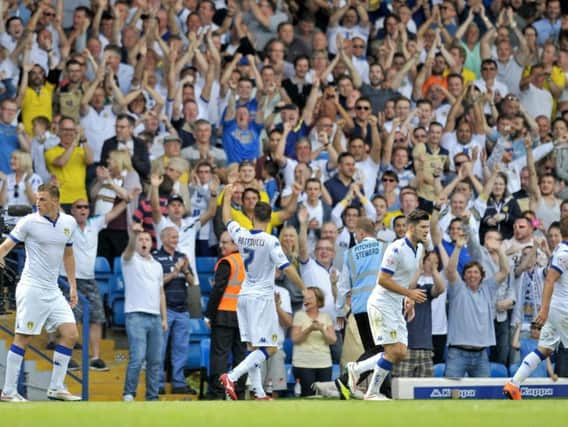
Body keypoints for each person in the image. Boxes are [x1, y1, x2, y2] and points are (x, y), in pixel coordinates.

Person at [219, 184, 306, 400]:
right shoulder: (270, 241)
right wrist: (304, 288)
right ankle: (233, 375)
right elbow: (286, 267)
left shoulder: (241, 234)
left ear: (252, 217)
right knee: (271, 347)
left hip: (244, 295)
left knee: (253, 347)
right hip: (261, 297)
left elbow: (226, 219)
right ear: (269, 220)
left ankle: (258, 391)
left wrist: (228, 196)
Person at [0, 183, 81, 401]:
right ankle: (8, 392)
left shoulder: (69, 223)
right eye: (37, 199)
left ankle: (56, 387)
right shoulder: (29, 222)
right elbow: (6, 246)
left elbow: (69, 255)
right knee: (22, 338)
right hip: (32, 288)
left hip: (53, 290)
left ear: (55, 200)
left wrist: (72, 286)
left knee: (70, 334)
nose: (38, 203)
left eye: (43, 199)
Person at [342, 209, 430, 400]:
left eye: (428, 227)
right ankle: (371, 392)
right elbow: (382, 279)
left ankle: (357, 369)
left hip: (395, 304)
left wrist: (409, 299)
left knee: (399, 352)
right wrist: (409, 293)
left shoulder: (420, 248)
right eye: (423, 227)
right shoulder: (395, 248)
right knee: (392, 350)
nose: (426, 231)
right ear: (412, 228)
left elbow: (411, 276)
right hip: (381, 304)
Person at [503, 216, 568, 400]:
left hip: (558, 309)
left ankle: (514, 384)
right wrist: (544, 310)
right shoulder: (564, 254)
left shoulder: (560, 251)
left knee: (544, 349)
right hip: (564, 309)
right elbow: (549, 279)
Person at [63, 197, 128, 372]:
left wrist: (128, 199)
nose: (83, 210)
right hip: (71, 279)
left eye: (86, 207)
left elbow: (115, 212)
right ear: (72, 210)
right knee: (70, 319)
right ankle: (66, 357)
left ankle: (96, 358)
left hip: (89, 279)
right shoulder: (66, 223)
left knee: (97, 318)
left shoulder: (95, 224)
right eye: (79, 207)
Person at [334, 217, 386, 400]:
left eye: (356, 233)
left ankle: (374, 390)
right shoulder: (385, 249)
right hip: (380, 307)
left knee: (375, 351)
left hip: (360, 309)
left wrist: (340, 311)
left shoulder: (351, 253)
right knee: (382, 352)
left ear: (362, 233)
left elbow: (342, 287)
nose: (355, 236)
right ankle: (346, 380)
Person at [122, 223, 167, 402]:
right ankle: (129, 393)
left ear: (152, 244)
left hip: (155, 316)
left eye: (147, 239)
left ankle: (152, 396)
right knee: (138, 357)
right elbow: (128, 251)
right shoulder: (130, 259)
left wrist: (164, 318)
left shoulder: (157, 265)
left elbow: (161, 292)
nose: (144, 242)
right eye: (141, 239)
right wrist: (134, 235)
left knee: (155, 360)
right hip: (136, 315)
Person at [152, 226, 195, 395]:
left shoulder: (182, 257)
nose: (175, 240)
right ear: (163, 239)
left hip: (182, 310)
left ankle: (178, 383)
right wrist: (175, 271)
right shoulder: (155, 257)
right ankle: (158, 383)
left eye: (176, 237)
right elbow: (156, 282)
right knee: (160, 348)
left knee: (181, 348)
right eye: (172, 237)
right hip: (165, 310)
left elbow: (192, 282)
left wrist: (184, 269)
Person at [205, 231, 247, 400]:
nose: (222, 246)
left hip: (224, 314)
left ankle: (217, 393)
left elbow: (218, 290)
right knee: (240, 357)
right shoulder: (247, 262)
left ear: (236, 245)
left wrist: (209, 315)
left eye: (226, 243)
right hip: (243, 317)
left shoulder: (227, 262)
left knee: (219, 356)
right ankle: (239, 392)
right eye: (221, 242)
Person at [291, 287, 337, 397]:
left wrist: (322, 330)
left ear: (319, 301)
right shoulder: (299, 315)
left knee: (325, 396)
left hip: (324, 363)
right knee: (308, 396)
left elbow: (332, 340)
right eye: (305, 298)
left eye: (310, 298)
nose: (306, 300)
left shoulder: (326, 317)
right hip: (303, 364)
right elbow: (295, 339)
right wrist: (309, 329)